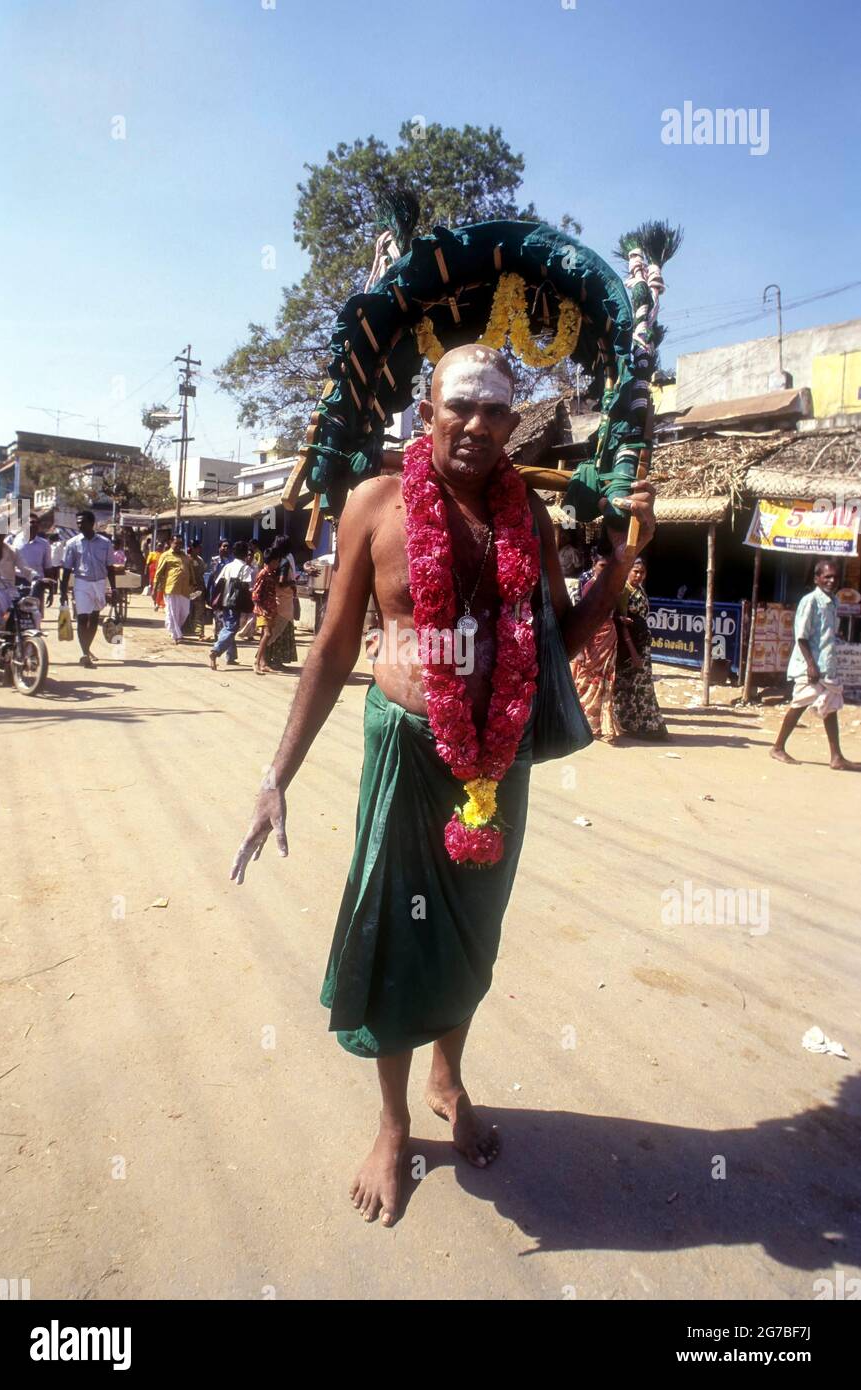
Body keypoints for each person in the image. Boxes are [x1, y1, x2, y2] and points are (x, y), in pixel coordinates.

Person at [230, 343, 655, 1226]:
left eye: (495, 409)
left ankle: (447, 1076)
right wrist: (277, 776)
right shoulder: (374, 504)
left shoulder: (528, 516)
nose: (476, 423)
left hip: (496, 764)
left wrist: (616, 564)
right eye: (457, 406)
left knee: (470, 933)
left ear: (511, 423)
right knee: (391, 935)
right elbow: (335, 645)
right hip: (406, 751)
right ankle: (390, 1125)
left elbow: (553, 646)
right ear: (424, 414)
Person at [771, 560, 859, 771]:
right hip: (810, 666)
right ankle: (778, 747)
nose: (831, 581)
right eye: (826, 577)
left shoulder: (833, 602)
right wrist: (811, 665)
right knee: (800, 703)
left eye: (834, 577)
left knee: (831, 707)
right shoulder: (810, 601)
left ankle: (836, 757)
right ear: (817, 579)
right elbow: (801, 636)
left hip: (827, 666)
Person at [613, 557, 669, 740]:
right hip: (630, 647)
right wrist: (633, 652)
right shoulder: (623, 592)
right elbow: (621, 623)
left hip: (641, 644)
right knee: (636, 687)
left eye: (642, 572)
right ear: (628, 571)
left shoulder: (639, 590)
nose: (638, 575)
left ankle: (634, 724)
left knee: (636, 686)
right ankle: (646, 726)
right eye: (635, 571)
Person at [570, 558, 621, 742]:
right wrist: (581, 649)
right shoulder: (589, 588)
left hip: (608, 638)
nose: (605, 570)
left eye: (608, 567)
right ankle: (582, 722)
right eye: (602, 566)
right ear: (593, 565)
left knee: (603, 683)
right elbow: (583, 620)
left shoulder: (611, 587)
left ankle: (598, 725)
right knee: (586, 680)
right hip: (592, 640)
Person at [59, 510, 116, 667]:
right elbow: (67, 569)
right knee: (82, 618)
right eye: (77, 522)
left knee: (94, 618)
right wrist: (63, 591)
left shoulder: (105, 543)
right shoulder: (72, 544)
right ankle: (85, 653)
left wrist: (114, 589)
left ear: (92, 523)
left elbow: (110, 567)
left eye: (82, 522)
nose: (79, 525)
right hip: (82, 583)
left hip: (99, 583)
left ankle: (87, 648)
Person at [0, 521, 39, 627]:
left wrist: (36, 577)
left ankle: (27, 640)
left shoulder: (12, 551)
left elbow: (25, 569)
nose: (0, 535)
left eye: (2, 532)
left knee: (33, 612)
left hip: (10, 591)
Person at [250, 539, 295, 675]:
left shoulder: (270, 574)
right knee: (267, 634)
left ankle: (263, 663)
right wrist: (261, 609)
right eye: (276, 562)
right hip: (264, 609)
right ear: (270, 562)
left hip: (271, 609)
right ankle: (257, 663)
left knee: (266, 635)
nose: (277, 565)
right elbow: (255, 594)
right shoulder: (263, 574)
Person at [209, 540, 252, 669]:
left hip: (225, 602)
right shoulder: (246, 568)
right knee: (231, 628)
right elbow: (249, 587)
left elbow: (217, 583)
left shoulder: (228, 566)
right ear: (245, 554)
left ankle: (231, 656)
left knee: (229, 625)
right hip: (236, 603)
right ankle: (215, 651)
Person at [11, 512, 56, 619]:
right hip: (17, 582)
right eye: (31, 522)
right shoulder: (13, 541)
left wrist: (50, 590)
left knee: (35, 615)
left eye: (37, 523)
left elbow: (47, 567)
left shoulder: (44, 544)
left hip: (37, 584)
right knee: (16, 615)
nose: (34, 525)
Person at [152, 534, 193, 643]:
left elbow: (190, 571)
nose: (179, 545)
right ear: (171, 543)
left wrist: (193, 584)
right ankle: (176, 634)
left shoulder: (185, 556)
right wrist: (154, 589)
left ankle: (174, 629)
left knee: (185, 612)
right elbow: (158, 573)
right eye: (176, 543)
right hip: (171, 588)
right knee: (173, 612)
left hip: (185, 589)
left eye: (180, 543)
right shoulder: (165, 555)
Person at [183, 541, 208, 638]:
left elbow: (202, 572)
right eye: (197, 548)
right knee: (186, 610)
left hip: (199, 590)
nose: (199, 550)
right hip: (188, 589)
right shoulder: (185, 559)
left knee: (199, 610)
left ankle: (199, 632)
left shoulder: (200, 559)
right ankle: (185, 630)